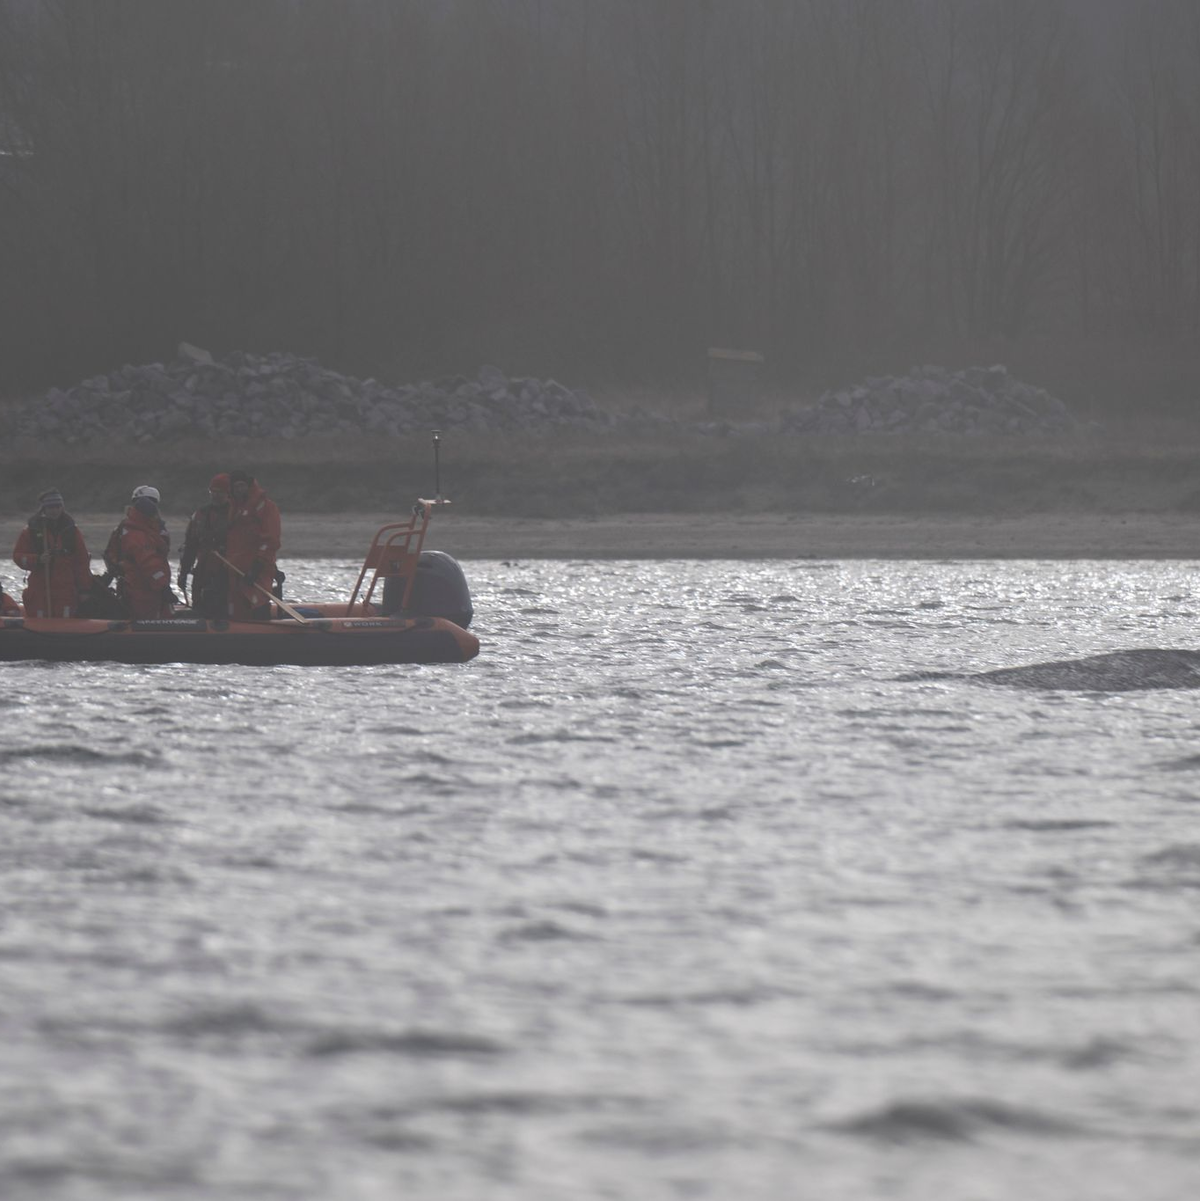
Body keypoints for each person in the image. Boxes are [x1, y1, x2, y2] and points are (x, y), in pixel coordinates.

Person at [11, 488, 93, 617]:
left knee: (66, 618)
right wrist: (38, 559)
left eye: (58, 506)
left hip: (65, 588)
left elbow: (82, 562)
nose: (55, 510)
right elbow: (18, 556)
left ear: (62, 507)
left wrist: (84, 590)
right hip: (40, 587)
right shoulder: (31, 531)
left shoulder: (72, 531)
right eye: (51, 507)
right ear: (44, 509)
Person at [104, 485, 174, 619]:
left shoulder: (139, 528)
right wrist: (163, 586)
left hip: (146, 586)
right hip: (142, 588)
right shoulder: (136, 532)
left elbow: (111, 555)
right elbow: (149, 562)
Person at [225, 469, 281, 621]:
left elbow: (271, 541)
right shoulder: (233, 508)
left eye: (242, 486)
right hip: (236, 570)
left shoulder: (266, 507)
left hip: (258, 569)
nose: (239, 490)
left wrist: (257, 566)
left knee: (259, 604)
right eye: (235, 487)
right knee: (237, 610)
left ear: (249, 486)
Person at [179, 474, 230, 619]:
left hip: (228, 569)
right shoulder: (200, 514)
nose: (215, 495)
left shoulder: (236, 514)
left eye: (219, 492)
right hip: (203, 568)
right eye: (212, 491)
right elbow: (190, 546)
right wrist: (184, 572)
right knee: (199, 600)